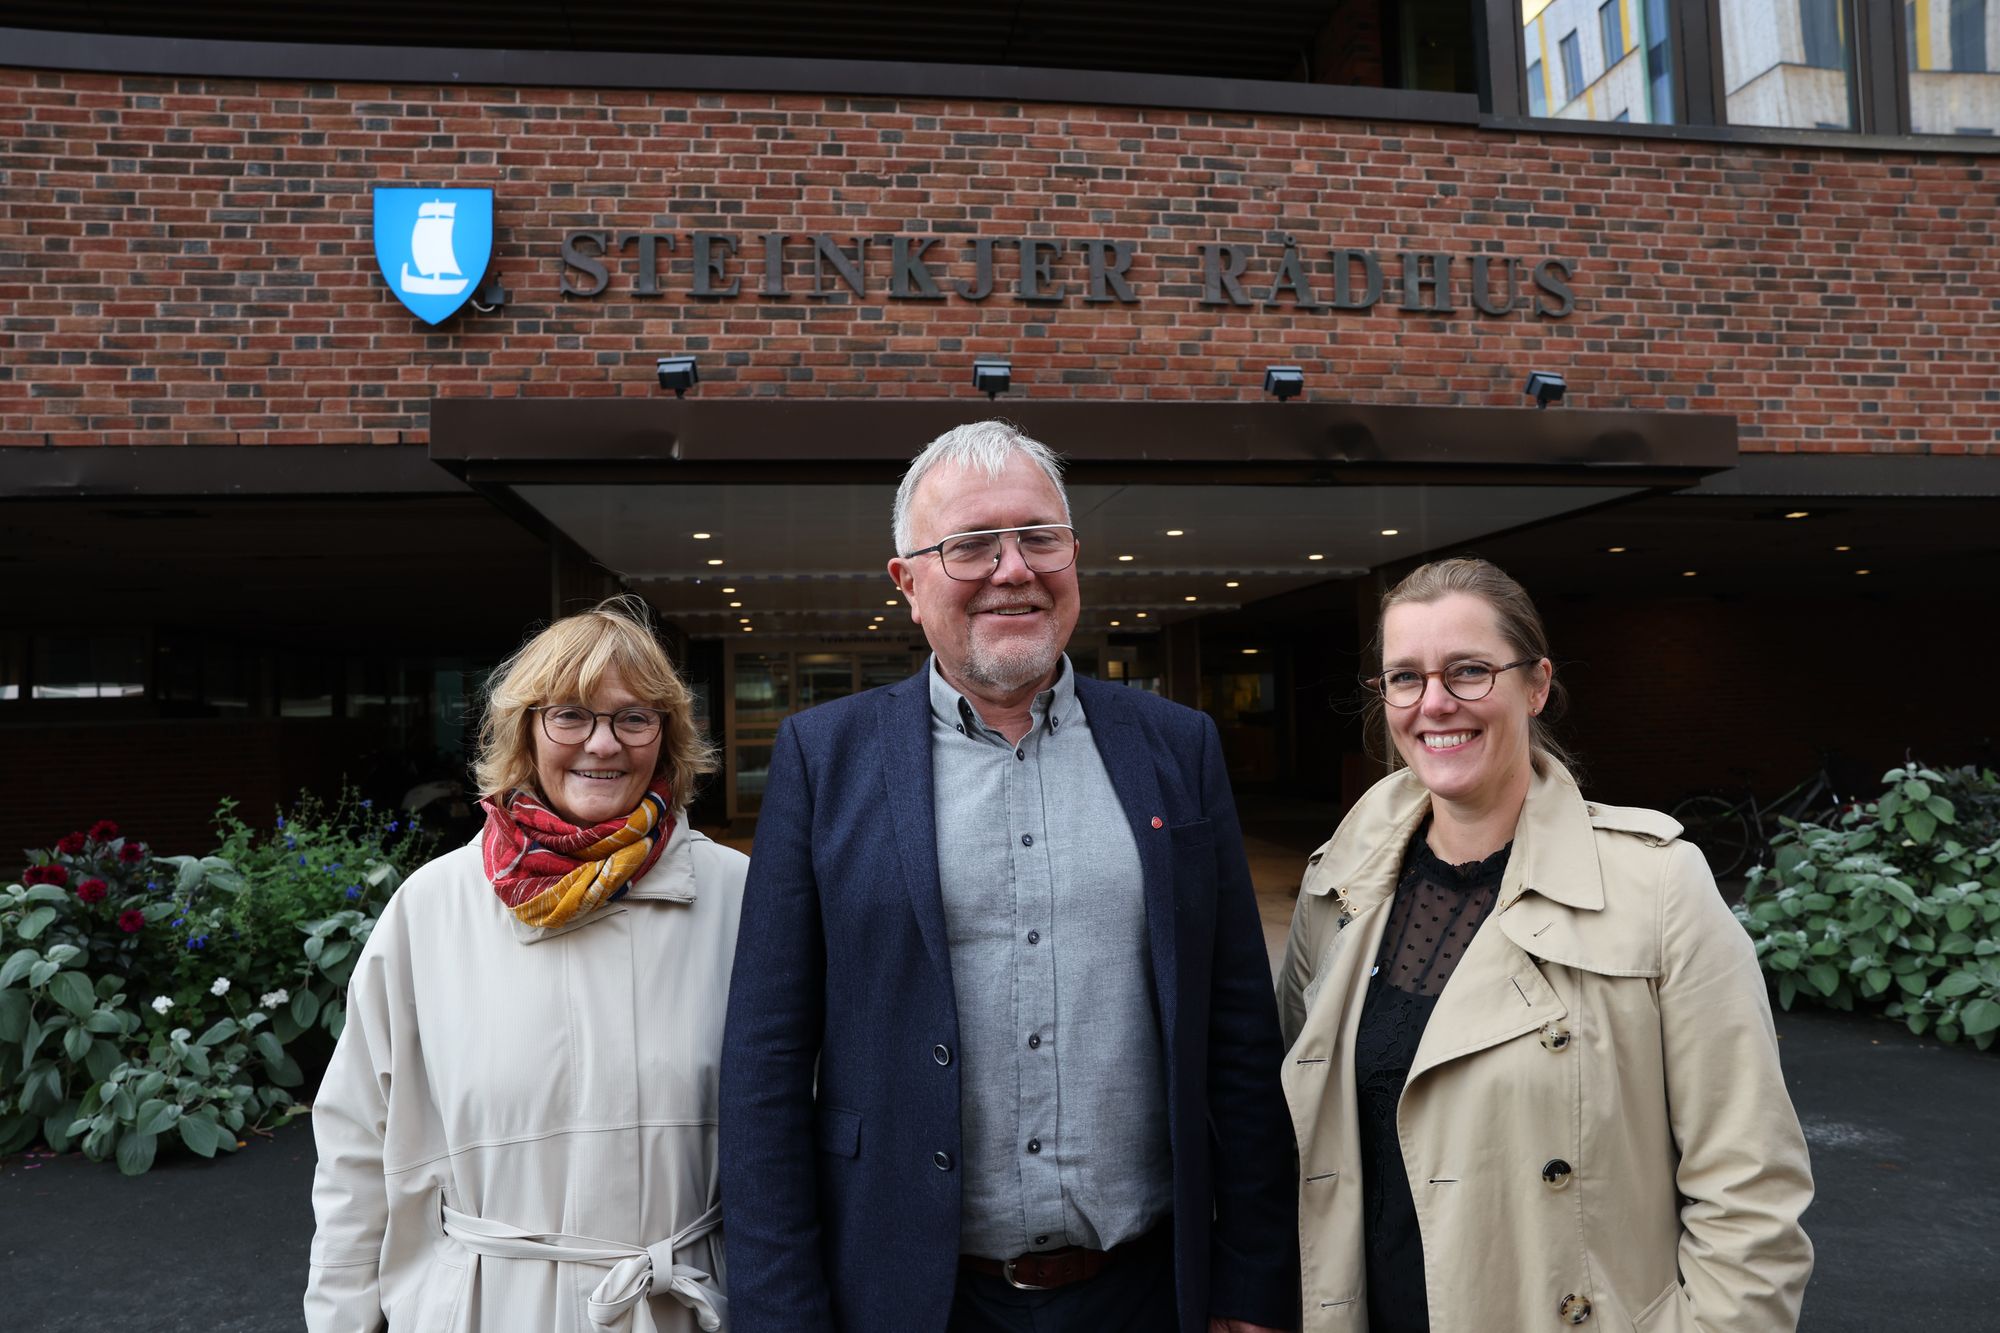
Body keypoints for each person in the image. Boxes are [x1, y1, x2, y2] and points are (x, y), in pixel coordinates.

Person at [719, 420, 1299, 1333]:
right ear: (907, 583)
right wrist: (782, 1313)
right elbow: (765, 1063)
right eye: (970, 545)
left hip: (1144, 1293)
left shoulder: (1177, 747)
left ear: (1075, 557)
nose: (1014, 567)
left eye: (1040, 537)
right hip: (911, 1298)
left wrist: (1254, 1281)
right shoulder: (823, 760)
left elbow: (1236, 1034)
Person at [1277, 558, 1814, 1333]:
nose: (1434, 704)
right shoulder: (1337, 885)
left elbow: (1750, 1190)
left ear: (1535, 685)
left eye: (1468, 671)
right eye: (1405, 677)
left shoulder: (1656, 885)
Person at [306, 596, 746, 1333]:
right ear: (525, 730)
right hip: (489, 1309)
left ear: (666, 737)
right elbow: (357, 1144)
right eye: (569, 714)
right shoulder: (433, 908)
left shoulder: (740, 897)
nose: (602, 743)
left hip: (683, 1307)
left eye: (634, 717)